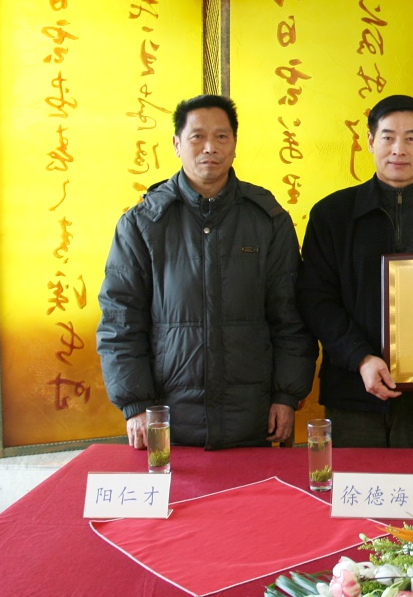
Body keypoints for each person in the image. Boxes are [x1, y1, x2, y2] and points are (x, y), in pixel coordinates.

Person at [96, 94, 317, 450]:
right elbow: (120, 320)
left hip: (252, 417)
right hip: (167, 419)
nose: (209, 147)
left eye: (221, 136)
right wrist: (135, 404)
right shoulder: (143, 223)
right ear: (176, 144)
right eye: (197, 136)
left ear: (234, 144)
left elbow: (290, 316)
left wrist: (286, 395)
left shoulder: (267, 219)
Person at [296, 94, 413, 447]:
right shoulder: (332, 215)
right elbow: (316, 299)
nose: (399, 149)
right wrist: (360, 358)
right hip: (353, 392)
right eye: (388, 137)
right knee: (356, 483)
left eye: (411, 138)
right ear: (371, 141)